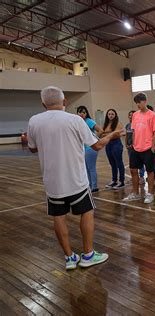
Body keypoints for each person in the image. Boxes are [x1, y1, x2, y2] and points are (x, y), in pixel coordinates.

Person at [27, 86, 122, 270]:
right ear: (64, 102)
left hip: (52, 181)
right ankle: (88, 254)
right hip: (76, 179)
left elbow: (32, 147)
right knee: (87, 212)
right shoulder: (75, 120)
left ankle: (69, 257)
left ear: (43, 104)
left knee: (58, 216)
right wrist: (113, 135)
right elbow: (96, 145)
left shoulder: (34, 121)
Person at [123, 93, 155, 204]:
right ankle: (135, 193)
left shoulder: (152, 115)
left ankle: (149, 194)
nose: (138, 104)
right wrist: (133, 143)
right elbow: (133, 131)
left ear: (145, 101)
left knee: (150, 171)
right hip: (136, 148)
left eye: (140, 102)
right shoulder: (135, 115)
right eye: (136, 103)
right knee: (133, 170)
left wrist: (153, 146)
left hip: (148, 147)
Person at [76, 106, 104, 193]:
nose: (82, 114)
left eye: (84, 112)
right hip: (83, 148)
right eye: (80, 112)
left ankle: (94, 186)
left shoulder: (89, 121)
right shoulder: (78, 122)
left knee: (91, 168)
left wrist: (95, 140)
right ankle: (89, 186)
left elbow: (100, 131)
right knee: (86, 168)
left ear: (86, 113)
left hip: (91, 148)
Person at [102, 109, 125, 190]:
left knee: (119, 163)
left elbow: (117, 135)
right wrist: (109, 135)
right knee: (112, 163)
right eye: (109, 114)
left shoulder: (118, 123)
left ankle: (121, 181)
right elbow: (103, 134)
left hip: (116, 144)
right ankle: (114, 180)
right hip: (108, 144)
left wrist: (108, 135)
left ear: (115, 115)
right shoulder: (106, 124)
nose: (110, 115)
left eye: (112, 114)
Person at [125, 110, 145, 185]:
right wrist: (126, 144)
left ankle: (141, 177)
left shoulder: (138, 124)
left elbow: (138, 136)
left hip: (137, 146)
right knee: (132, 162)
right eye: (130, 115)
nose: (131, 116)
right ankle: (133, 177)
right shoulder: (127, 125)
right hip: (129, 147)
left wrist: (134, 144)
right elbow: (127, 136)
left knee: (140, 162)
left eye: (133, 115)